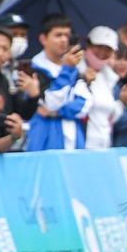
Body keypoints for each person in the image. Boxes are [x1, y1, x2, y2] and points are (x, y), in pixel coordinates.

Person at [26, 14, 92, 151]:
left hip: (74, 141)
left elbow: (86, 103)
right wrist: (66, 70)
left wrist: (58, 112)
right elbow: (51, 103)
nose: (64, 40)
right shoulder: (34, 69)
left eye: (67, 35)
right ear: (43, 39)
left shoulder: (74, 68)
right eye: (58, 35)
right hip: (45, 143)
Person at [81, 26, 127, 150]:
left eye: (108, 49)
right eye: (99, 46)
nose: (103, 52)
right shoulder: (76, 71)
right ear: (88, 45)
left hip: (104, 147)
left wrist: (123, 103)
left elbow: (110, 117)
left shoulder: (109, 78)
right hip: (80, 146)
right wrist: (82, 81)